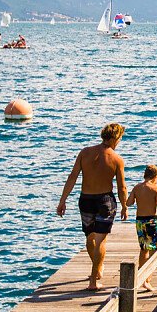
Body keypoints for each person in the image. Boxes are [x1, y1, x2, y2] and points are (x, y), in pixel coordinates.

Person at [57, 123, 128, 291]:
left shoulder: (85, 152)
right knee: (100, 240)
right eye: (119, 139)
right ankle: (94, 281)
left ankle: (97, 269)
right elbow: (121, 187)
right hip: (105, 201)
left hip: (86, 199)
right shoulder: (116, 159)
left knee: (90, 238)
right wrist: (125, 206)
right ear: (113, 138)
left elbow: (72, 176)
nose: (119, 142)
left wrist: (62, 200)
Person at [126, 164, 157, 292]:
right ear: (155, 177)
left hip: (139, 221)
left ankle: (142, 278)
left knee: (143, 249)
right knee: (154, 251)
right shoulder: (155, 188)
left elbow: (129, 203)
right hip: (151, 221)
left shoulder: (137, 187)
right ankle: (147, 280)